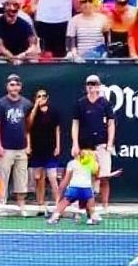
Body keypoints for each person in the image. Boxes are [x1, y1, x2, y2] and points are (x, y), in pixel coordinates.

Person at [71, 73, 116, 212]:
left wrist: (109, 143)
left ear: (99, 86)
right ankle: (88, 207)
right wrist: (75, 144)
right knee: (85, 178)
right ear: (86, 87)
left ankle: (105, 206)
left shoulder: (105, 104)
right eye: (89, 84)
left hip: (102, 145)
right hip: (85, 147)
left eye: (94, 84)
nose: (91, 87)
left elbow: (111, 124)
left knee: (104, 177)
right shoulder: (80, 103)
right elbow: (75, 124)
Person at [0, 73, 33, 214]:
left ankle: (21, 207)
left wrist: (28, 145)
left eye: (17, 84)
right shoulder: (0, 104)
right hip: (6, 148)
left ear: (20, 87)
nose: (14, 87)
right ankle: (1, 206)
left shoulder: (27, 104)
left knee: (22, 179)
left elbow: (28, 126)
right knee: (2, 178)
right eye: (12, 84)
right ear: (7, 86)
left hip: (21, 149)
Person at [27, 87, 62, 212]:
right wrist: (28, 145)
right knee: (38, 177)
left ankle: (58, 202)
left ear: (47, 98)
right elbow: (28, 126)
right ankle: (40, 203)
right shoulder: (31, 111)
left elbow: (57, 129)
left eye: (44, 96)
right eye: (39, 96)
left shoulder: (54, 112)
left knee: (52, 176)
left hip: (50, 149)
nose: (42, 98)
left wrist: (58, 146)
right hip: (37, 149)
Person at [48, 149, 101, 225]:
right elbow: (97, 176)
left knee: (64, 202)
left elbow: (66, 179)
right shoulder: (92, 164)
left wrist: (61, 190)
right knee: (90, 202)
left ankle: (54, 218)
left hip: (74, 189)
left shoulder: (71, 163)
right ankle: (93, 218)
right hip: (86, 189)